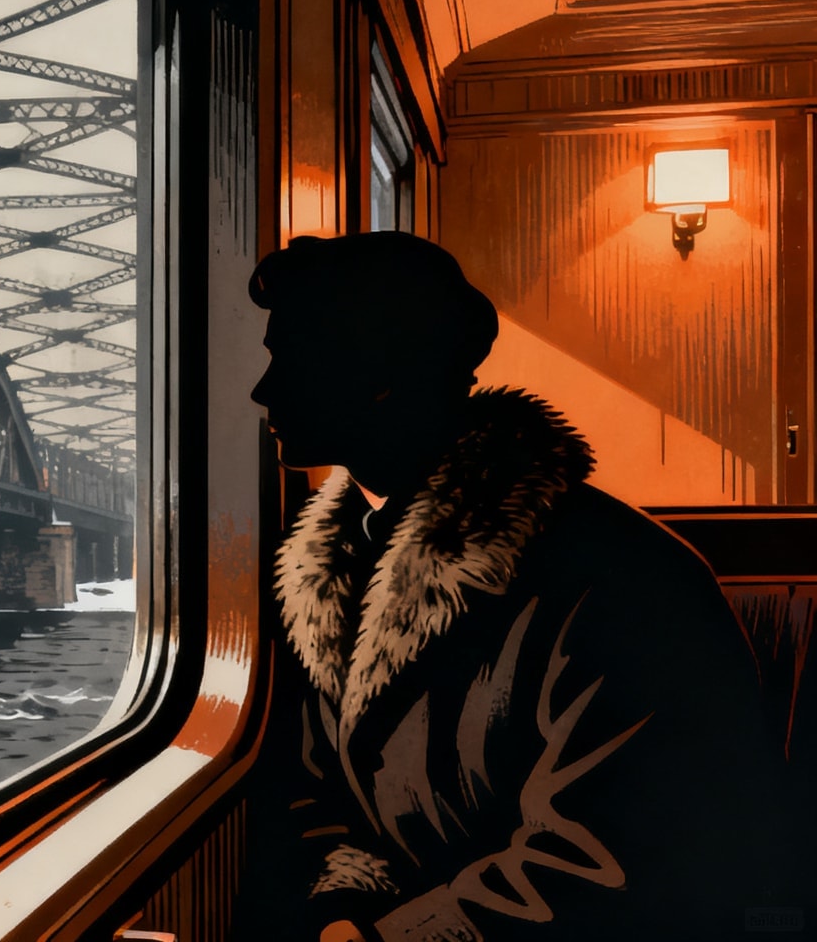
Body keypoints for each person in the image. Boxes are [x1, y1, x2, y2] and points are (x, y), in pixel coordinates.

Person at [240, 232, 806, 942]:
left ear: (378, 376)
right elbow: (315, 798)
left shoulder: (623, 580)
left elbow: (624, 866)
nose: (263, 391)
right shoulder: (330, 570)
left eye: (289, 360)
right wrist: (341, 911)